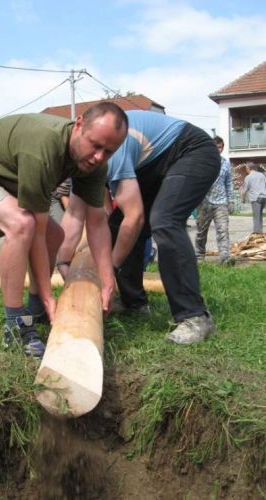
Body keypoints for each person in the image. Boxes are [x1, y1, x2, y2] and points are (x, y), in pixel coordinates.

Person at [0, 103, 128, 358]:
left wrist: (108, 282)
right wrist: (49, 296)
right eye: (95, 145)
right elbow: (35, 231)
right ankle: (16, 324)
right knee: (22, 224)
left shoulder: (94, 164)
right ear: (79, 125)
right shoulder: (44, 145)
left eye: (109, 151)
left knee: (55, 236)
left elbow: (97, 222)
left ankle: (36, 311)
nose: (99, 157)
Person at [58, 110, 220, 345]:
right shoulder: (82, 163)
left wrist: (109, 269)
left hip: (191, 150)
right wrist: (62, 260)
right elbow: (74, 214)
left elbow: (134, 218)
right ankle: (134, 303)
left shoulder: (107, 152)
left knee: (165, 220)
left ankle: (194, 316)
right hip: (152, 163)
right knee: (116, 223)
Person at [195, 136, 235, 264]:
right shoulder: (202, 162)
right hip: (204, 203)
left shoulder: (226, 164)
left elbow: (228, 183)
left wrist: (231, 201)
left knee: (223, 230)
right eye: (216, 146)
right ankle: (199, 256)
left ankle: (225, 257)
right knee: (201, 232)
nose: (218, 149)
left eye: (220, 147)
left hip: (221, 203)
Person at [241, 162, 266, 233]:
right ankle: (260, 231)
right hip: (264, 197)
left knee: (256, 216)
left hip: (256, 198)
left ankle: (257, 233)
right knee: (260, 215)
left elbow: (244, 190)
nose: (246, 170)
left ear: (248, 168)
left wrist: (242, 199)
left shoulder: (248, 177)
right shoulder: (262, 175)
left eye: (246, 168)